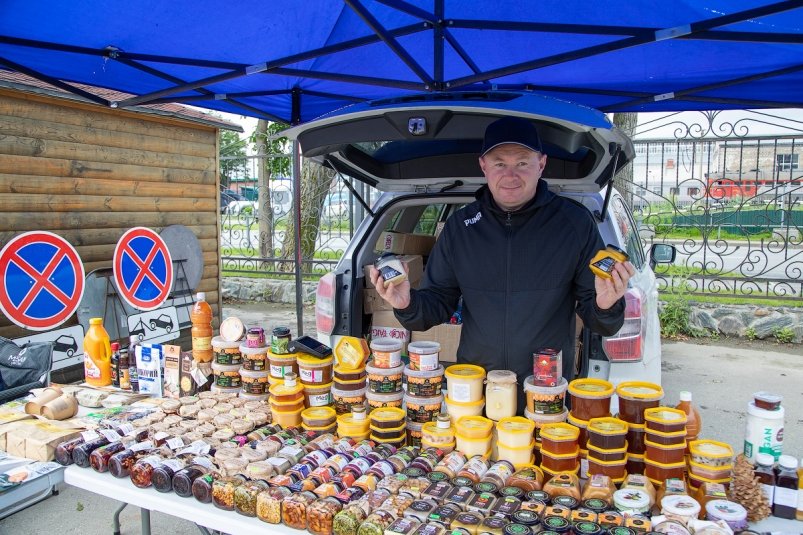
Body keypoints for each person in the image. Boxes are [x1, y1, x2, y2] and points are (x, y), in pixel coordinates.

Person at [369, 116, 634, 393]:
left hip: (545, 387)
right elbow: (435, 305)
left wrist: (606, 306)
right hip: (476, 385)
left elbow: (600, 321)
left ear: (541, 164)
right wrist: (405, 303)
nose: (511, 175)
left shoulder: (575, 224)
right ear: (484, 166)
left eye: (522, 163)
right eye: (499, 163)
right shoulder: (461, 229)